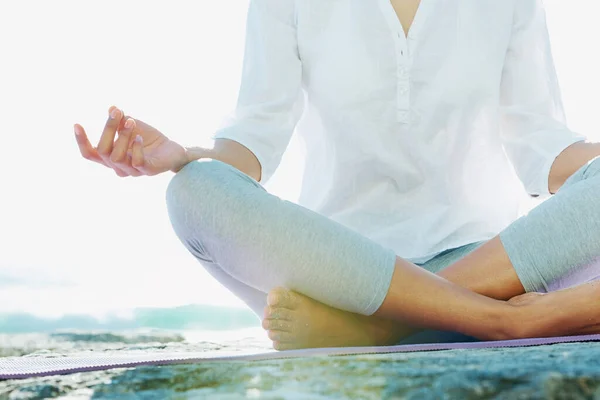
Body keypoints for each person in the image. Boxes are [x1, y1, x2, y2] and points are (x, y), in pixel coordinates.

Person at [74, 0, 600, 351]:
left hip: (489, 265)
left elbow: (545, 147)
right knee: (194, 190)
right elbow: (255, 138)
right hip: (334, 274)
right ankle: (500, 322)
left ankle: (377, 327)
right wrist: (181, 153)